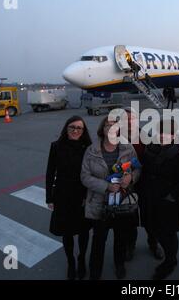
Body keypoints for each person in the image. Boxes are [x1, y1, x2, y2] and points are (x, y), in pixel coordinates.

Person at [80, 117, 140, 280]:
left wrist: (130, 178)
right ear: (102, 129)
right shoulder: (92, 150)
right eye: (108, 125)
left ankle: (119, 265)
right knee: (98, 241)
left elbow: (137, 169)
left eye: (114, 126)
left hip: (121, 202)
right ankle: (95, 271)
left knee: (120, 238)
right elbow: (84, 177)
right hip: (100, 203)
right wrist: (105, 186)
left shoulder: (127, 148)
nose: (111, 128)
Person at [139, 119, 179, 280]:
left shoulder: (178, 155)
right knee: (151, 226)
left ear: (174, 135)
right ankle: (153, 245)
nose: (162, 136)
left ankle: (170, 260)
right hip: (149, 199)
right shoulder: (150, 150)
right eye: (160, 132)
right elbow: (144, 173)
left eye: (167, 133)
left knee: (168, 234)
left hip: (168, 204)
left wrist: (169, 198)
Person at [46, 116, 92, 280]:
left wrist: (88, 195)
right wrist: (49, 198)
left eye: (79, 128)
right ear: (66, 128)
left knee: (83, 231)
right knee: (67, 232)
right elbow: (50, 172)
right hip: (63, 194)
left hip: (82, 195)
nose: (75, 130)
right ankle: (71, 261)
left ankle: (81, 260)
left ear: (83, 131)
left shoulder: (88, 147)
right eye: (72, 127)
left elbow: (92, 173)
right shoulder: (56, 146)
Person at [123, 107, 164, 262]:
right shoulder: (115, 137)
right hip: (126, 185)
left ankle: (153, 243)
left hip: (145, 183)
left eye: (131, 119)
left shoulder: (144, 136)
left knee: (149, 217)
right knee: (130, 218)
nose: (129, 122)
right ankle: (130, 245)